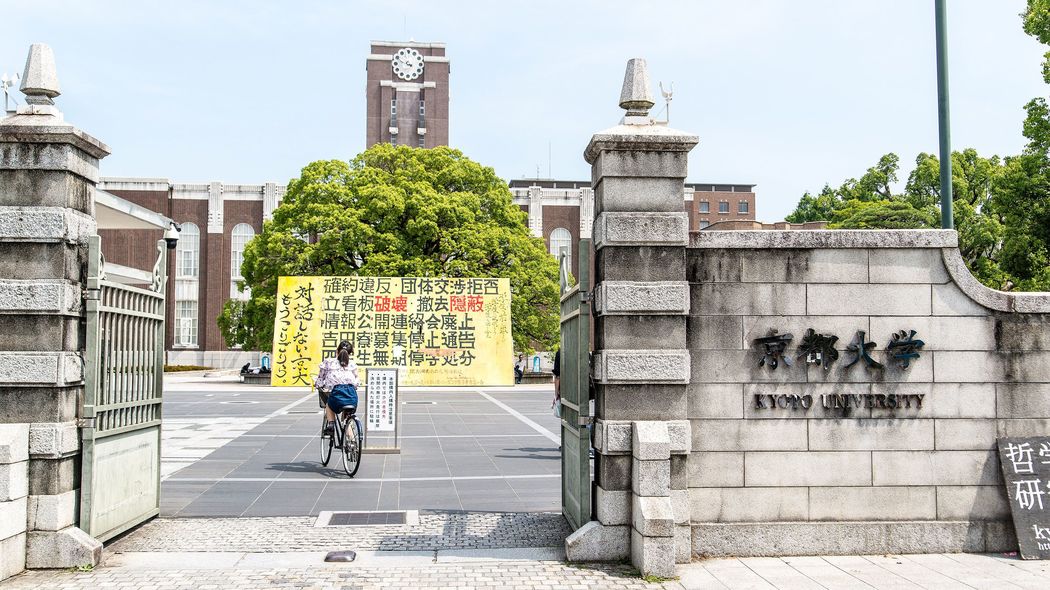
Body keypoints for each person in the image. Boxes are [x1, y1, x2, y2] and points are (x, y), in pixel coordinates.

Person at [315, 340, 360, 432]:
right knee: (347, 417)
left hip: (336, 393)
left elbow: (320, 378)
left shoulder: (328, 362)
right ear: (350, 354)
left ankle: (331, 425)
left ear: (337, 351)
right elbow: (356, 383)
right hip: (352, 395)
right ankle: (351, 441)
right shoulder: (352, 365)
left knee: (329, 405)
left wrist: (319, 385)